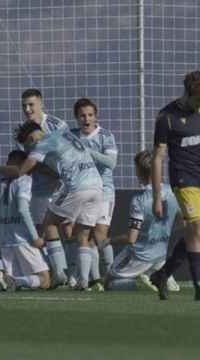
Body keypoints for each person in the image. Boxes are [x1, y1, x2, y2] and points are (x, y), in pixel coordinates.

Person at [150, 70, 200, 301]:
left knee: (197, 231)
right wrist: (156, 196)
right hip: (183, 180)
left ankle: (162, 275)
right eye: (199, 99)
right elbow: (158, 158)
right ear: (188, 92)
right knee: (197, 228)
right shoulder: (167, 116)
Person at [0, 122, 103, 290]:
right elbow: (55, 169)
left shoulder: (41, 143)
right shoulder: (62, 134)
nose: (28, 151)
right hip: (97, 186)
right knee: (83, 235)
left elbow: (21, 171)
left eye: (28, 147)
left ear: (31, 138)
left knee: (49, 223)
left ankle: (60, 275)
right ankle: (83, 281)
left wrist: (1, 169)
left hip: (77, 186)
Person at [103, 150, 180, 292]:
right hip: (161, 254)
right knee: (156, 263)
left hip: (139, 256)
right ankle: (161, 275)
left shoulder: (139, 200)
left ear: (139, 171)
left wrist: (109, 241)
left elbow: (131, 238)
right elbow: (183, 223)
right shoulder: (172, 192)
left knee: (108, 283)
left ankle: (142, 281)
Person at [0, 150, 51, 291]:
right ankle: (6, 279)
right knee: (45, 280)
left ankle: (4, 278)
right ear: (24, 164)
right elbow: (22, 209)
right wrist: (35, 237)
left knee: (19, 283)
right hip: (22, 238)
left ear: (8, 162)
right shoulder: (24, 179)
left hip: (4, 239)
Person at [17, 89, 69, 279]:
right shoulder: (23, 132)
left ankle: (71, 274)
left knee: (67, 229)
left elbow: (67, 154)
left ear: (41, 103)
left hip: (64, 187)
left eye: (31, 104)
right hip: (39, 189)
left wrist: (59, 174)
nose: (28, 109)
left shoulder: (57, 125)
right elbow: (29, 163)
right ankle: (54, 273)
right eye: (24, 106)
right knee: (41, 232)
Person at [67, 98, 117, 288]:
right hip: (81, 191)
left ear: (96, 117)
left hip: (104, 191)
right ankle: (88, 278)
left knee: (100, 234)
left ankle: (112, 273)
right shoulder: (70, 136)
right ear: (76, 118)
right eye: (82, 116)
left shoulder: (105, 136)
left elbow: (111, 163)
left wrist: (87, 151)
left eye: (90, 115)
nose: (86, 119)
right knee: (82, 235)